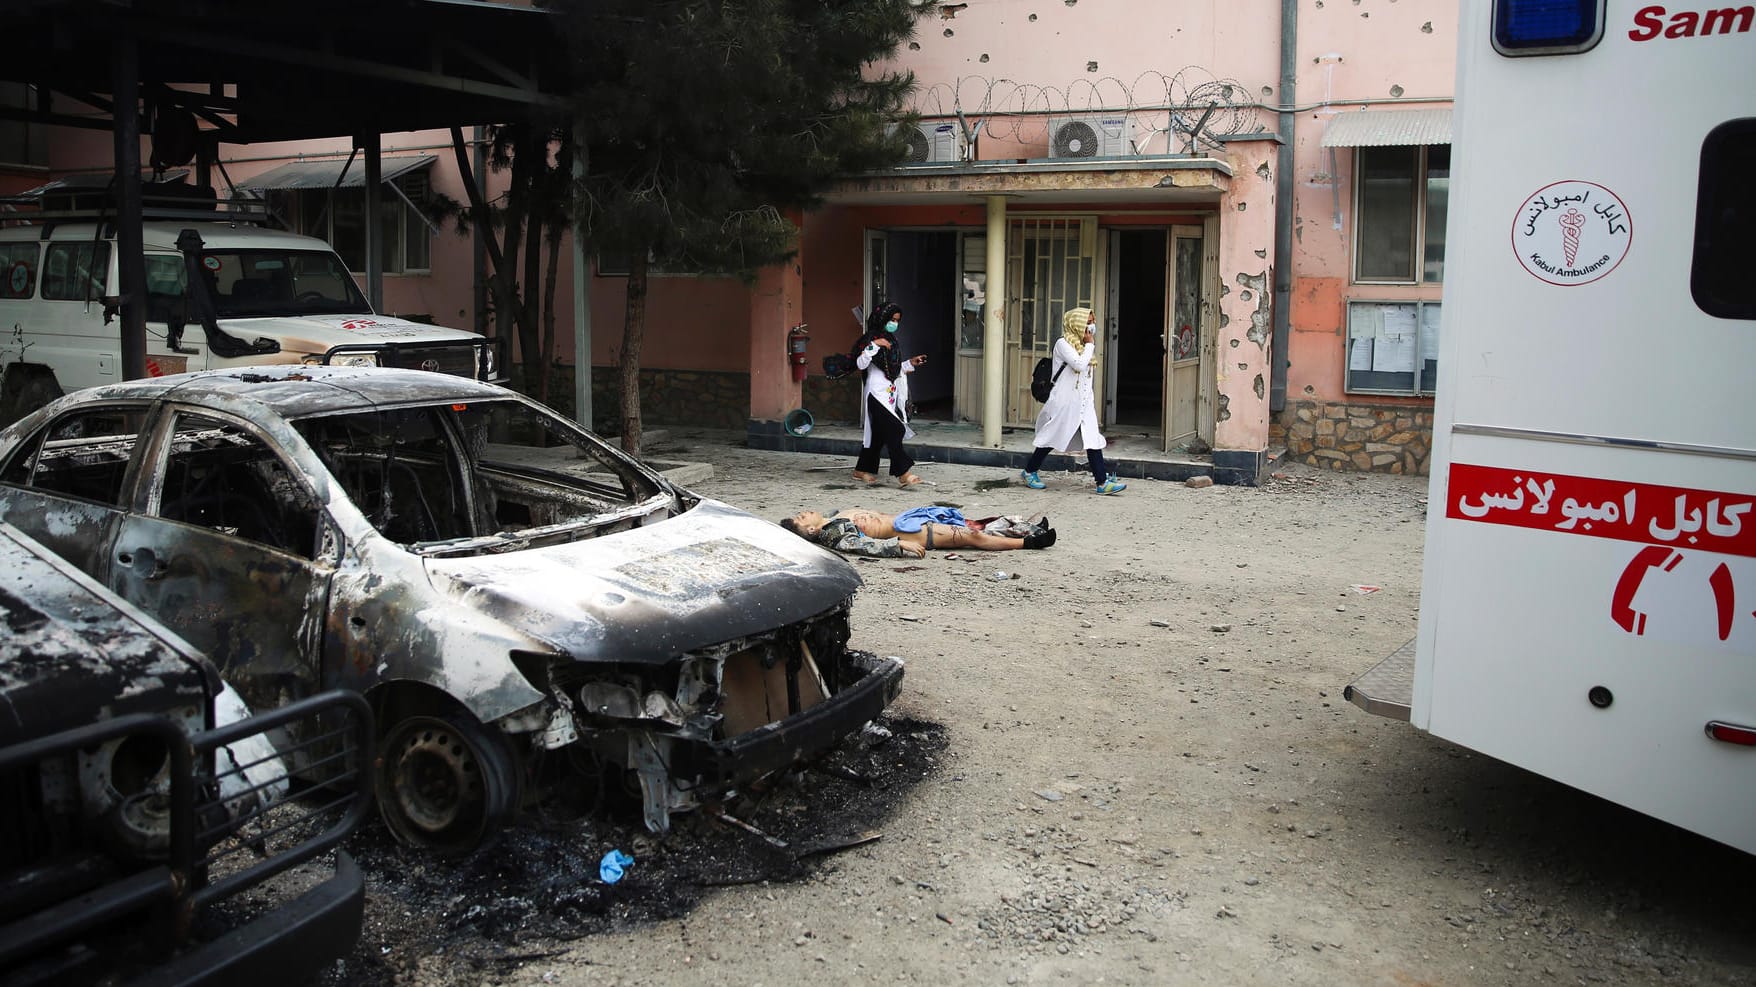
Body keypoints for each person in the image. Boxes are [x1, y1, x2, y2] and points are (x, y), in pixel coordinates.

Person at [1019, 306, 1127, 495]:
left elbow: (1086, 375)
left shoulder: (1082, 346)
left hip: (1083, 403)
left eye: (1092, 322)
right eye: (1088, 322)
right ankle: (1029, 471)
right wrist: (1090, 344)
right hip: (1065, 403)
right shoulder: (1064, 344)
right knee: (1052, 437)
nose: (1091, 326)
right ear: (1077, 323)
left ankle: (1102, 483)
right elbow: (1078, 364)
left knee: (1092, 439)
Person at [781, 506, 1056, 558]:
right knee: (971, 536)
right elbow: (862, 546)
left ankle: (1026, 530)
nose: (803, 512)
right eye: (801, 518)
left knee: (970, 525)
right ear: (812, 529)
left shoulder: (833, 516)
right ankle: (1028, 544)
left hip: (909, 520)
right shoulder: (834, 533)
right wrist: (898, 545)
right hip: (912, 534)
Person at [850, 302, 927, 487]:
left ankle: (860, 470)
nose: (894, 323)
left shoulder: (892, 340)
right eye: (892, 320)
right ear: (882, 319)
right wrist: (873, 345)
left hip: (888, 394)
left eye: (897, 320)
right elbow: (859, 363)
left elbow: (893, 369)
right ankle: (903, 473)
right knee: (895, 429)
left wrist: (910, 363)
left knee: (878, 435)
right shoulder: (870, 339)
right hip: (875, 394)